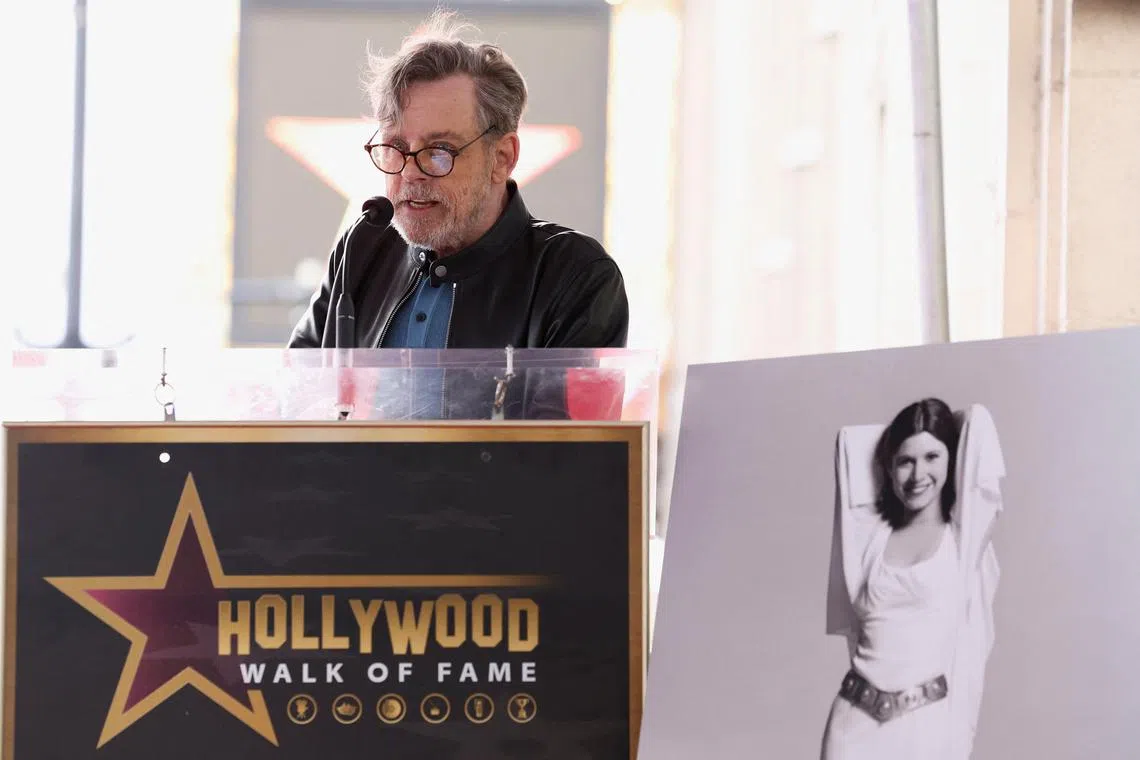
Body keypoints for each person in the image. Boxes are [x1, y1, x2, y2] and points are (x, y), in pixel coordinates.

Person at [288, 11, 629, 353]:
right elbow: (297, 382)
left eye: (439, 150)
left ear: (502, 158)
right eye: (396, 147)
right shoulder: (361, 250)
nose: (410, 172)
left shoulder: (574, 274)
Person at [822, 398, 1005, 759]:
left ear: (953, 459)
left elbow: (977, 424)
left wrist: (938, 422)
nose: (918, 474)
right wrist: (912, 435)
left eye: (932, 457)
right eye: (906, 461)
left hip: (925, 727)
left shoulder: (963, 540)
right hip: (852, 726)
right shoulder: (869, 539)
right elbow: (849, 444)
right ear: (889, 468)